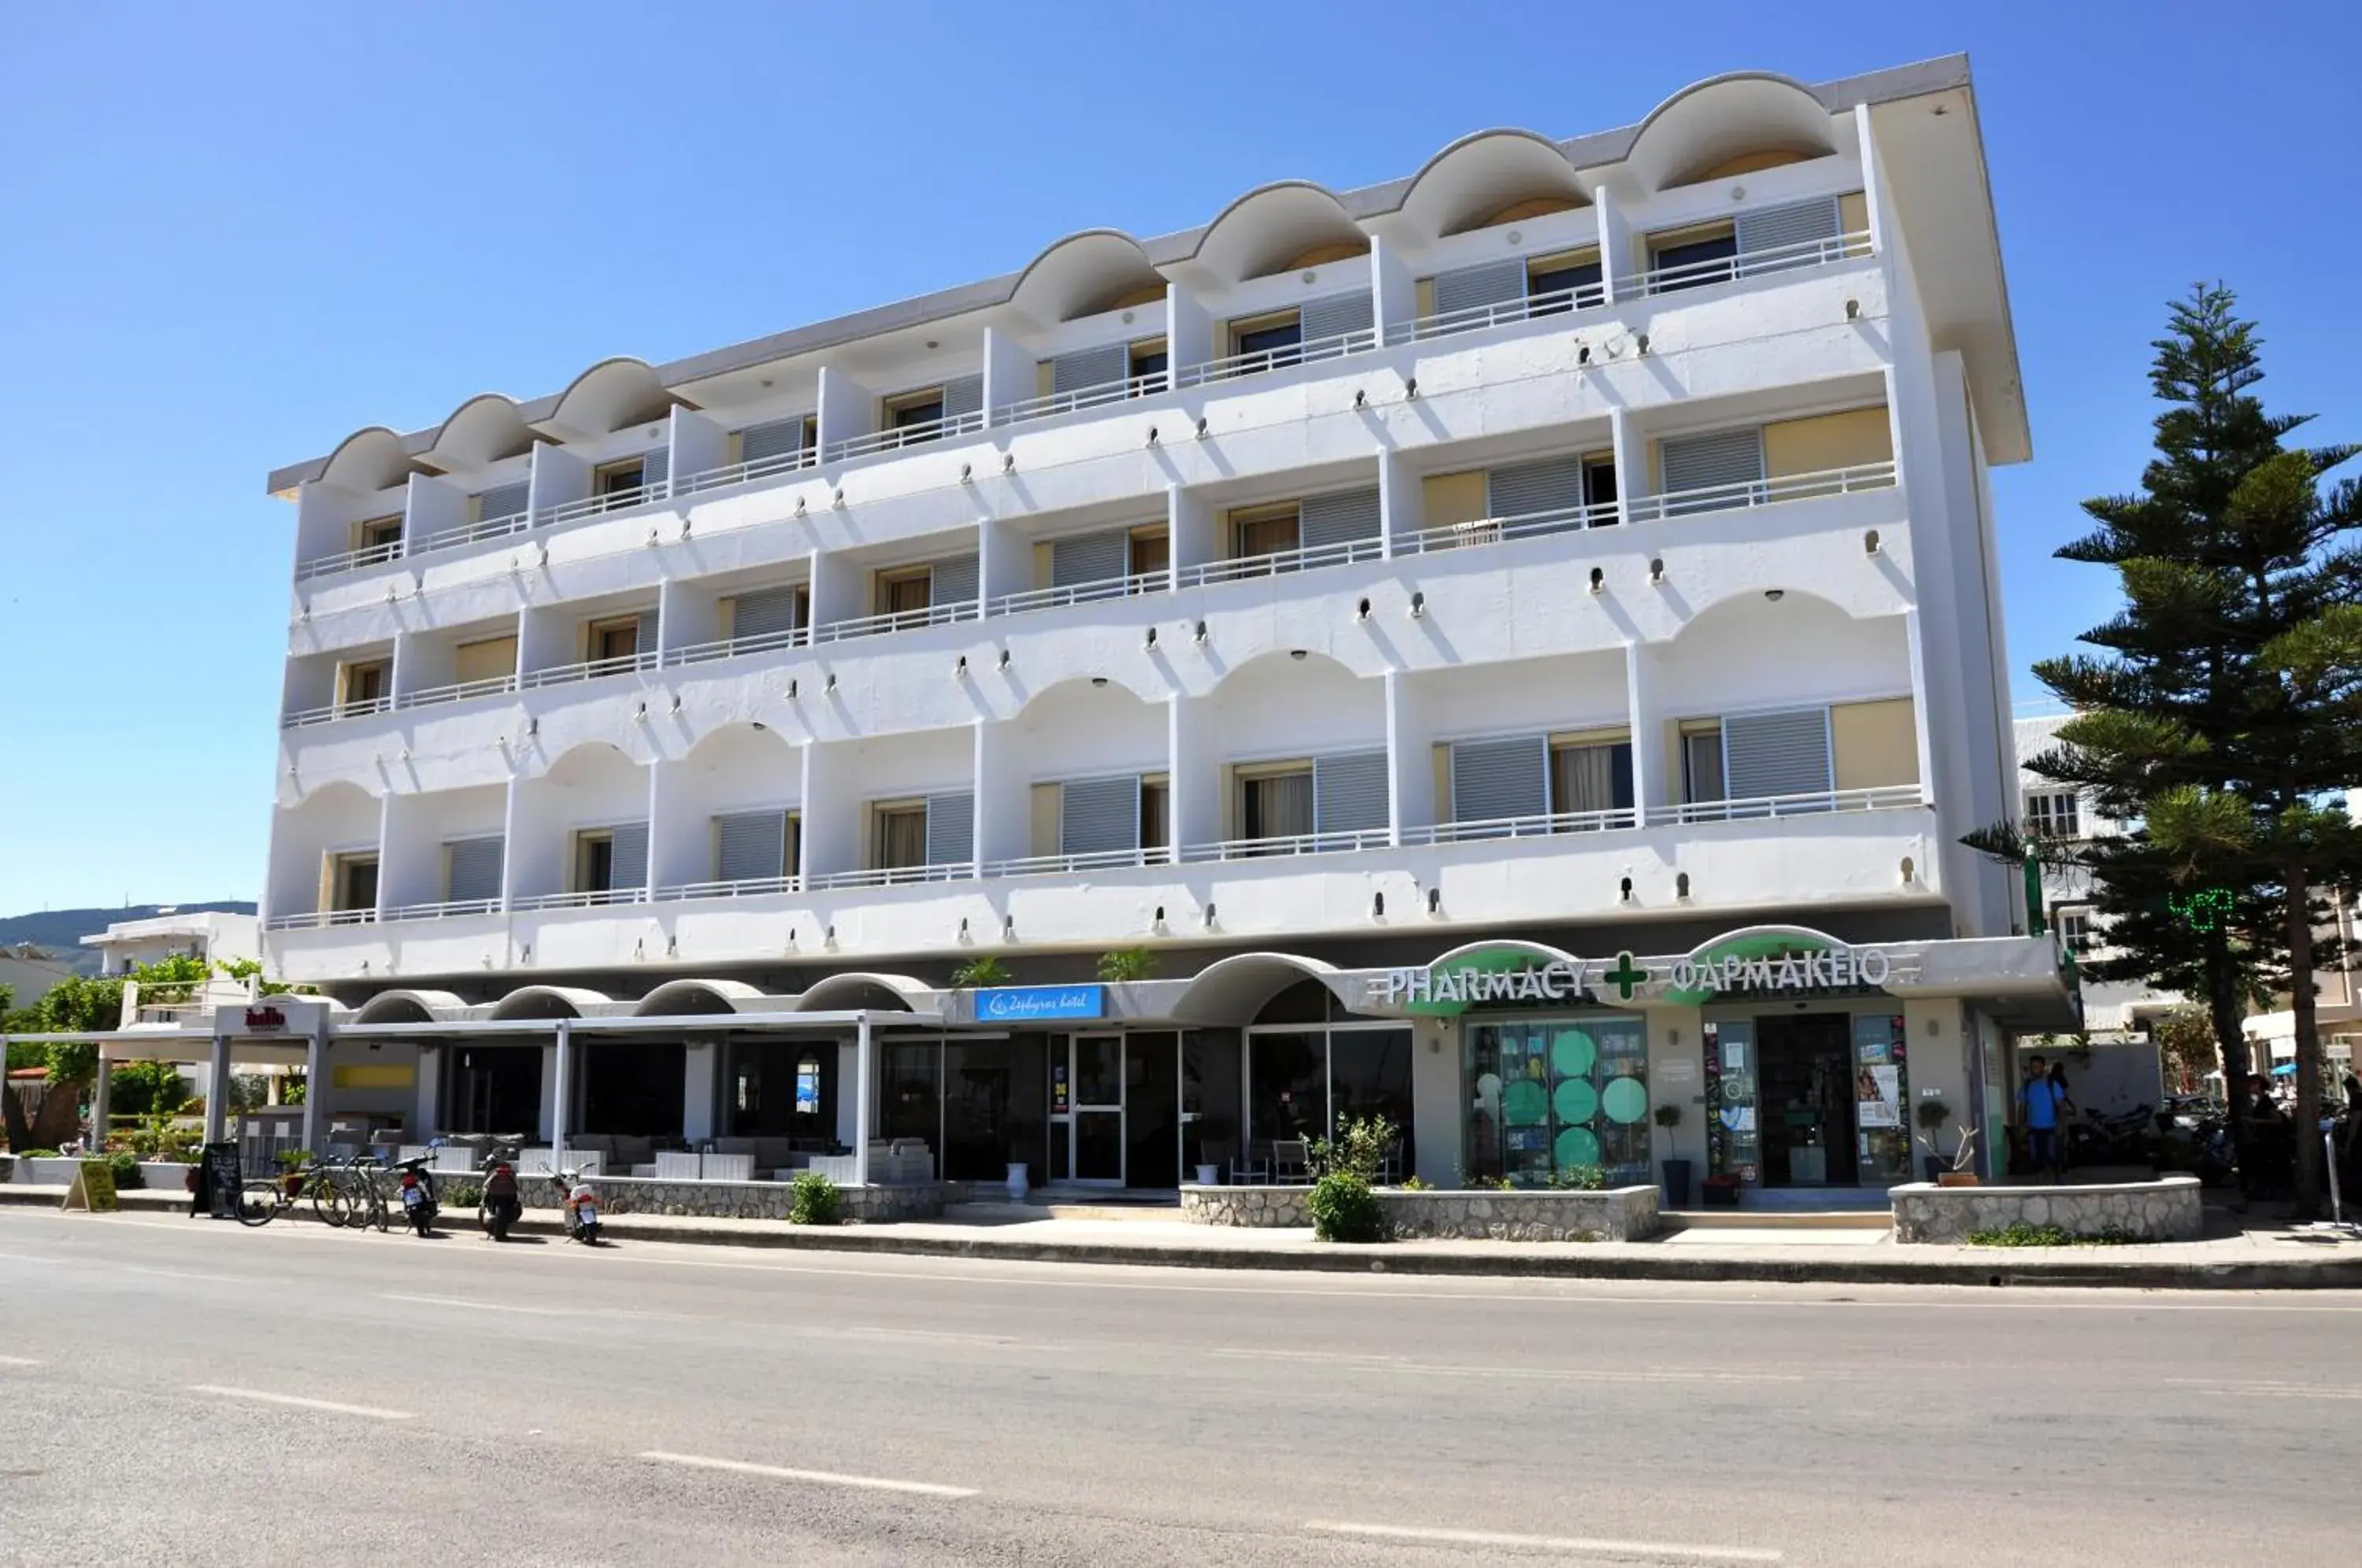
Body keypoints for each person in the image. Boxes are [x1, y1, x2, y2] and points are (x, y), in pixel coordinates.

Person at [2021, 1053, 2065, 1180]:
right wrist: (2020, 1126)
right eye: (2032, 1067)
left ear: (2043, 1068)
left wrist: (2062, 1125)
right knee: (2035, 1159)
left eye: (2037, 1067)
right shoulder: (2027, 1086)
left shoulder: (2052, 1085)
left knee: (2051, 1157)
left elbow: (2060, 1106)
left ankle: (2054, 1183)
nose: (2034, 1070)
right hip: (2032, 1128)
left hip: (2050, 1127)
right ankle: (2040, 1184)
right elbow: (2022, 1107)